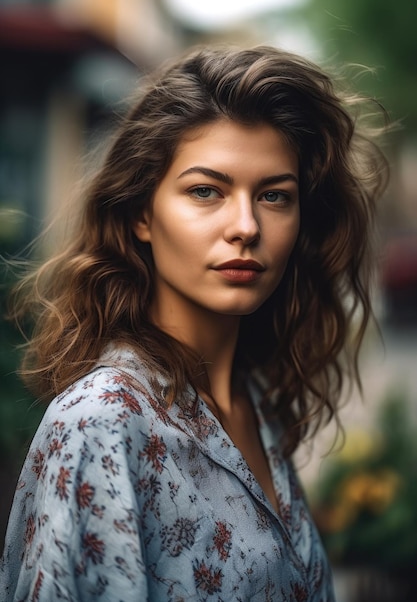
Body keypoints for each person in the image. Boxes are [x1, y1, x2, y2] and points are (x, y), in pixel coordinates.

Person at [0, 44, 387, 601]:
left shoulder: (253, 402)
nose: (247, 226)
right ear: (140, 214)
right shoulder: (101, 422)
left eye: (275, 195)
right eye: (207, 191)